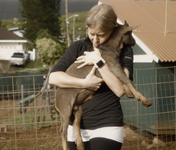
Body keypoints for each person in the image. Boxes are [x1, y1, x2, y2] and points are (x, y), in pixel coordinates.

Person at [48, 4, 134, 150]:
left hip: (107, 128)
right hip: (75, 131)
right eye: (91, 33)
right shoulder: (78, 47)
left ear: (113, 28)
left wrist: (99, 62)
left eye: (100, 35)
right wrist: (84, 83)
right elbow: (54, 78)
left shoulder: (123, 49)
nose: (95, 40)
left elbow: (120, 90)